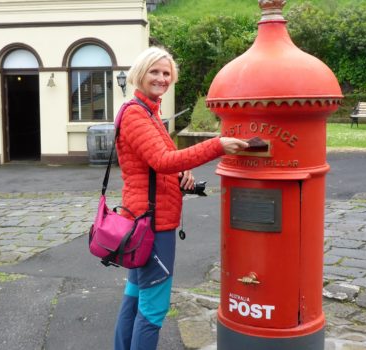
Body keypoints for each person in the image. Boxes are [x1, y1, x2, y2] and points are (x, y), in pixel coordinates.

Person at [112, 47, 248, 350]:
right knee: (153, 308)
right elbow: (161, 160)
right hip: (152, 223)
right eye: (155, 72)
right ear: (140, 73)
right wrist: (218, 145)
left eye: (166, 73)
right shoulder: (137, 114)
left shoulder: (149, 112)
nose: (162, 78)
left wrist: (181, 171)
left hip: (142, 219)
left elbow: (157, 161)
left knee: (136, 298)